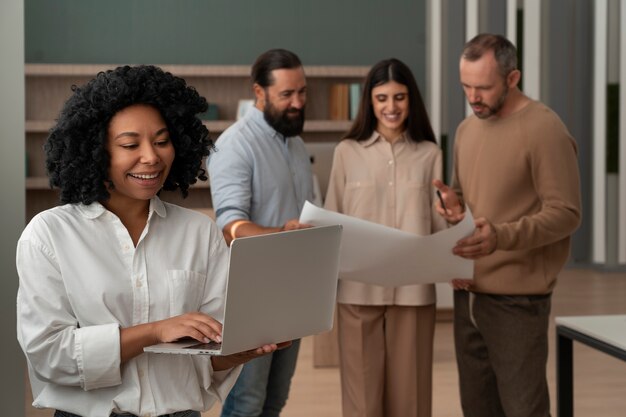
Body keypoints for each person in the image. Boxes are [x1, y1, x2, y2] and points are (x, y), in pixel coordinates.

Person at [16, 65, 284, 417]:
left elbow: (204, 362)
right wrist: (155, 332)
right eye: (130, 144)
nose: (152, 157)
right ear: (95, 151)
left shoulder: (198, 233)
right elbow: (50, 356)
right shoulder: (49, 234)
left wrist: (241, 351)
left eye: (161, 141)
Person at [433, 34, 582, 417]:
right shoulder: (467, 130)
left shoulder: (545, 129)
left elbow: (566, 213)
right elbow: (469, 200)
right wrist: (454, 210)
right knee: (478, 409)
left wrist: (500, 236)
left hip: (518, 303)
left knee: (524, 410)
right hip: (468, 295)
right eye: (465, 86)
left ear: (512, 78)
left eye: (483, 87)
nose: (473, 97)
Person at [324, 58, 446, 417]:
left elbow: (440, 226)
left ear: (412, 100)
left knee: (412, 397)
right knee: (362, 398)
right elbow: (332, 220)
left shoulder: (430, 154)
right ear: (370, 102)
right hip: (358, 288)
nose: (391, 107)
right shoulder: (346, 152)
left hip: (413, 289)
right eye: (382, 98)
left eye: (399, 97)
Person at [207, 49, 314, 417]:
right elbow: (231, 226)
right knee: (246, 402)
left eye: (302, 92)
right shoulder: (235, 144)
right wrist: (281, 234)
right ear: (259, 92)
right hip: (252, 295)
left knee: (275, 399)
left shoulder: (296, 143)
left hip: (293, 291)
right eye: (287, 95)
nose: (297, 103)